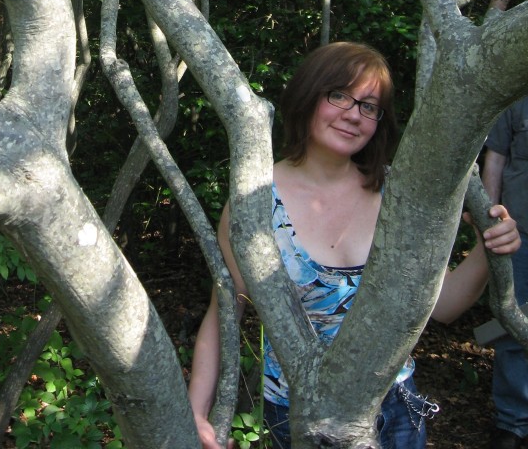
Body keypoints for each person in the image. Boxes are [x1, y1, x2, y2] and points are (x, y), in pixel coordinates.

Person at [188, 42, 521, 449]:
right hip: (295, 416)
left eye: (369, 106)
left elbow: (445, 305)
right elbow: (225, 310)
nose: (353, 114)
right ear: (310, 96)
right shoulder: (255, 202)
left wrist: (490, 249)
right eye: (340, 95)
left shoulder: (396, 195)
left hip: (395, 411)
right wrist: (196, 410)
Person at [483, 96, 528, 449]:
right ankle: (512, 423)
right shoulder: (517, 95)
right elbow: (495, 161)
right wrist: (488, 224)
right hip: (519, 235)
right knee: (510, 324)